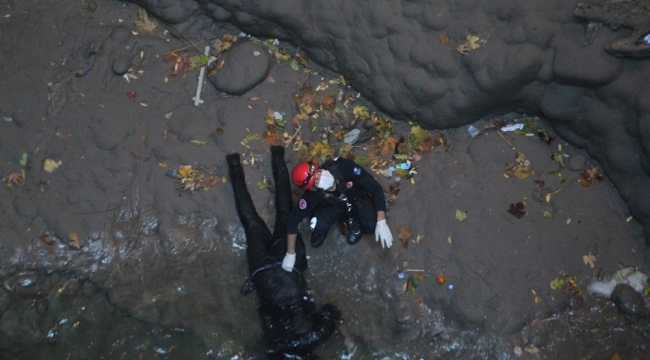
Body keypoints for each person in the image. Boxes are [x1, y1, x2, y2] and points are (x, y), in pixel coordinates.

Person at [226, 146, 341, 359]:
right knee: (250, 222)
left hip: (290, 271)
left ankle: (277, 157)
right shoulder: (274, 350)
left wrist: (330, 324)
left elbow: (330, 310)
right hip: (263, 275)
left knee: (286, 214)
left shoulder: (316, 336)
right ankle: (234, 166)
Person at [282, 156, 393, 272]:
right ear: (312, 188)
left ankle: (356, 219)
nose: (322, 176)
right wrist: (290, 253)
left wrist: (381, 221)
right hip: (333, 206)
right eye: (316, 180)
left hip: (356, 198)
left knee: (371, 226)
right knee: (317, 225)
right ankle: (325, 229)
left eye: (318, 172)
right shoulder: (312, 196)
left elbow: (375, 188)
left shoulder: (344, 167)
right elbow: (293, 219)